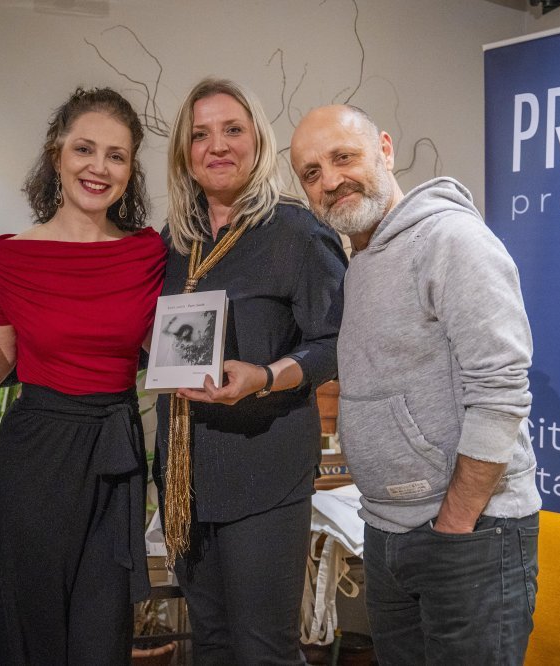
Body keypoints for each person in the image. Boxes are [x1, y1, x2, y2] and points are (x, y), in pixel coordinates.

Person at [290, 105, 541, 665]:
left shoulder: (451, 239)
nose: (330, 180)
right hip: (388, 532)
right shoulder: (359, 264)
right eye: (311, 173)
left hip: (470, 535)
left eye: (343, 157)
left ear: (384, 148)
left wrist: (455, 524)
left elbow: (501, 391)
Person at [155, 78, 347, 665]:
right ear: (185, 152)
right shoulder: (174, 241)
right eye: (201, 135)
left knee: (263, 651)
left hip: (264, 469)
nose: (217, 146)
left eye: (233, 130)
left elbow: (337, 343)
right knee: (210, 644)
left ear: (258, 141)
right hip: (186, 474)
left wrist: (265, 376)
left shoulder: (295, 232)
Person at [0, 87, 166, 665]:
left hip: (116, 456)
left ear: (130, 171)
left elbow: (171, 349)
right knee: (27, 632)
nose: (98, 167)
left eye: (116, 155)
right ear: (56, 153)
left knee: (100, 639)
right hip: (34, 458)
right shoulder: (9, 257)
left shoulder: (149, 254)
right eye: (85, 149)